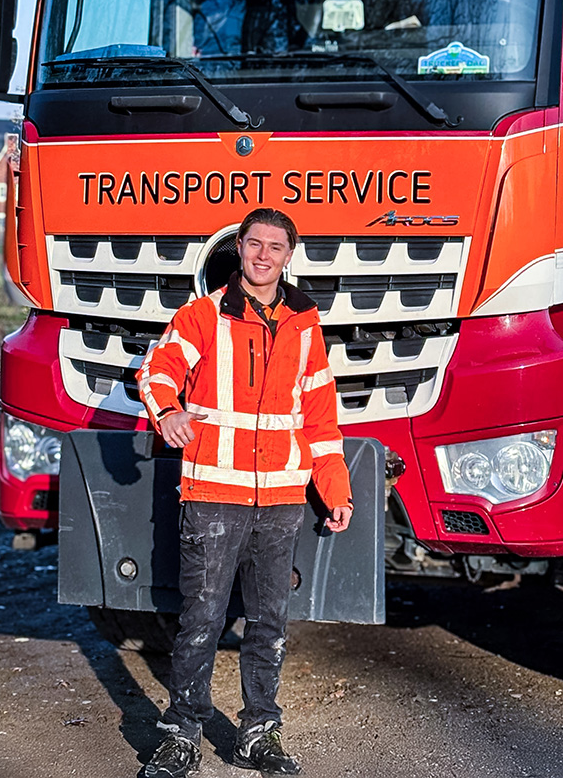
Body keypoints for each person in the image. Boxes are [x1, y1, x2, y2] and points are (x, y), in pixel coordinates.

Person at [136, 207, 353, 778]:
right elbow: (157, 371)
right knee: (201, 619)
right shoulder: (202, 315)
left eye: (275, 247)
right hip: (213, 492)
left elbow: (320, 419)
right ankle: (181, 735)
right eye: (254, 244)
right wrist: (168, 411)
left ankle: (258, 734)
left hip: (281, 500)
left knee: (268, 624)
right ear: (239, 249)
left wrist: (336, 491)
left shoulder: (305, 325)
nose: (263, 255)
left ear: (289, 256)